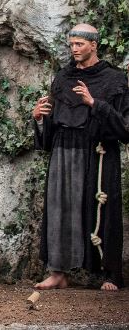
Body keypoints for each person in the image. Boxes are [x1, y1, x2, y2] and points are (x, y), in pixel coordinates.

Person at [32, 23, 128, 292]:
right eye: (71, 44)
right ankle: (58, 272)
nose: (74, 49)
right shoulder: (63, 77)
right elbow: (53, 121)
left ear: (93, 45)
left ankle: (111, 275)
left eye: (79, 44)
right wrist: (40, 118)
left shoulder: (114, 79)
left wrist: (94, 103)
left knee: (102, 208)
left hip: (97, 151)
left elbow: (124, 126)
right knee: (59, 208)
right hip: (64, 149)